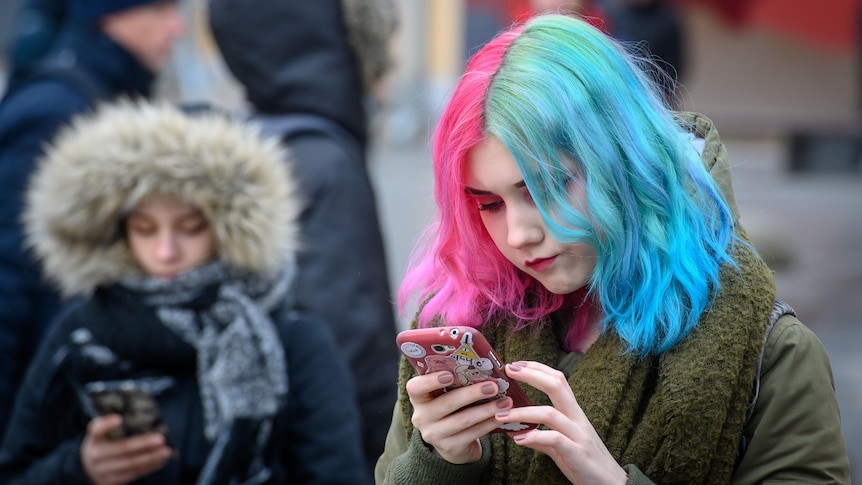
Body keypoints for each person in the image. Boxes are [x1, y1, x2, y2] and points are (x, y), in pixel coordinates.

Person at [375, 14, 850, 484]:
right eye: (490, 203)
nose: (519, 233)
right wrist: (438, 463)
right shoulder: (460, 324)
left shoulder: (772, 351)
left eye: (549, 187)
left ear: (623, 163)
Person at [0, 100, 369, 484]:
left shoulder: (294, 341)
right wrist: (80, 467)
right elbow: (15, 471)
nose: (165, 251)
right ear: (118, 231)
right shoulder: (80, 334)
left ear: (229, 229)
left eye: (191, 228)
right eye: (144, 229)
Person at [208, 0, 400, 476]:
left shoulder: (248, 141)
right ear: (350, 47)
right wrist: (385, 456)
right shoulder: (327, 161)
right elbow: (354, 341)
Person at [0, 0, 184, 435]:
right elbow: (8, 280)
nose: (176, 28)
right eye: (160, 11)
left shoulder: (103, 94)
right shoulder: (57, 110)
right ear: (110, 14)